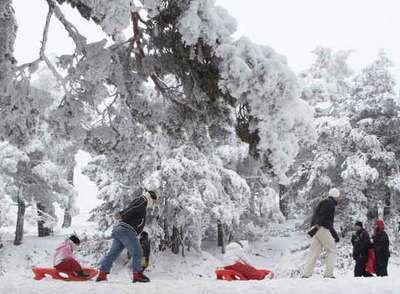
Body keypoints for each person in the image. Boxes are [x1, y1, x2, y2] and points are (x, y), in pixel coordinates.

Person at [96, 190, 157, 283]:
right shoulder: (143, 200)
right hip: (127, 230)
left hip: (121, 230)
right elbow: (134, 208)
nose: (154, 203)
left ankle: (102, 274)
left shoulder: (141, 202)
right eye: (154, 201)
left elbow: (132, 209)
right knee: (138, 251)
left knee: (113, 253)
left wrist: (123, 213)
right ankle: (138, 275)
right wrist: (122, 214)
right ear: (151, 198)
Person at [303, 188, 340, 278]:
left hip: (316, 229)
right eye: (338, 197)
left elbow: (324, 220)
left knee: (314, 252)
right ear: (335, 197)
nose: (339, 199)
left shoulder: (324, 202)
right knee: (332, 250)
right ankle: (328, 274)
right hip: (321, 228)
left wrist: (335, 235)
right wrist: (318, 226)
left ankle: (306, 274)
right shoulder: (329, 204)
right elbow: (322, 216)